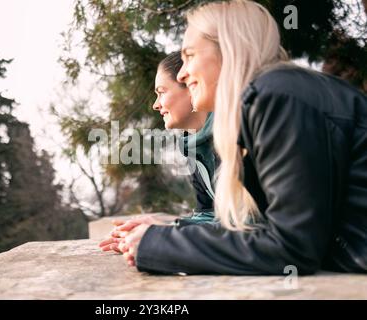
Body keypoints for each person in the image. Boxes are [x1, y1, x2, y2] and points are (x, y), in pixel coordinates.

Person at [115, 0, 367, 274]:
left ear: (228, 49)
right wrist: (167, 232)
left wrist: (159, 244)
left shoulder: (277, 96)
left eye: (189, 56)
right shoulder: (272, 96)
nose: (183, 74)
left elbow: (292, 249)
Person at [99, 51, 219, 255]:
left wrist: (165, 236)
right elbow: (209, 215)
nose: (155, 105)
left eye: (161, 92)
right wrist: (154, 231)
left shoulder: (233, 133)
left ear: (190, 85)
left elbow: (249, 223)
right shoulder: (191, 147)